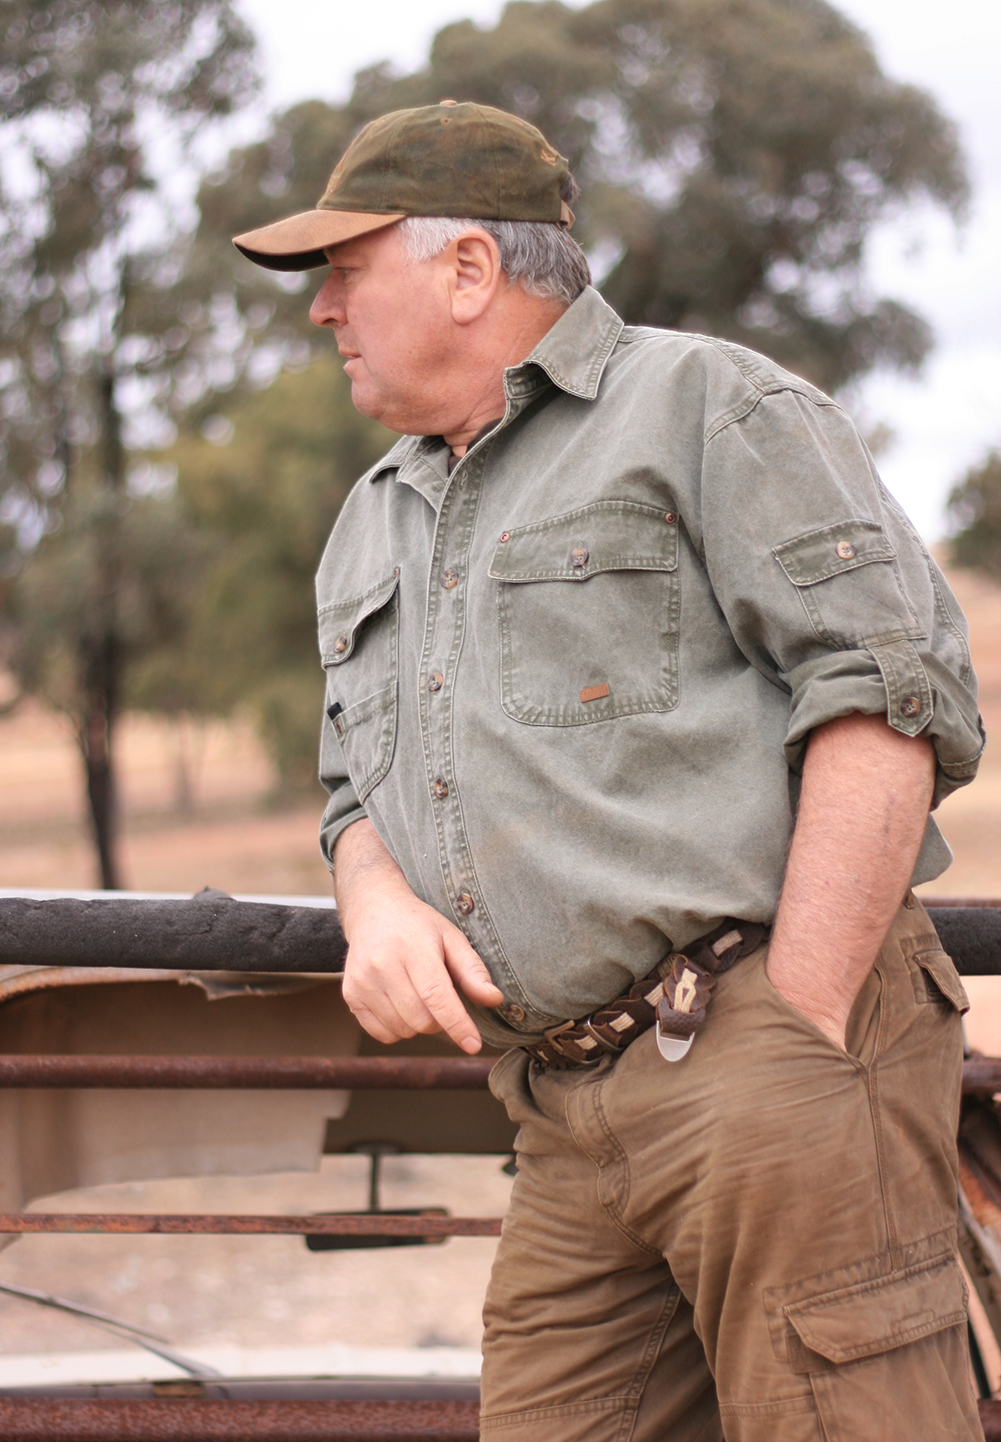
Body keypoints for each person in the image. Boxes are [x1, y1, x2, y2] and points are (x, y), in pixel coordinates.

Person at [233, 101, 987, 1441]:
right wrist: (377, 902)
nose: (323, 310)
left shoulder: (708, 403)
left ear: (468, 271)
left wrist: (798, 1033)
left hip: (767, 1048)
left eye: (346, 270)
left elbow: (889, 700)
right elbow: (354, 793)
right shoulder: (370, 522)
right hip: (566, 1114)